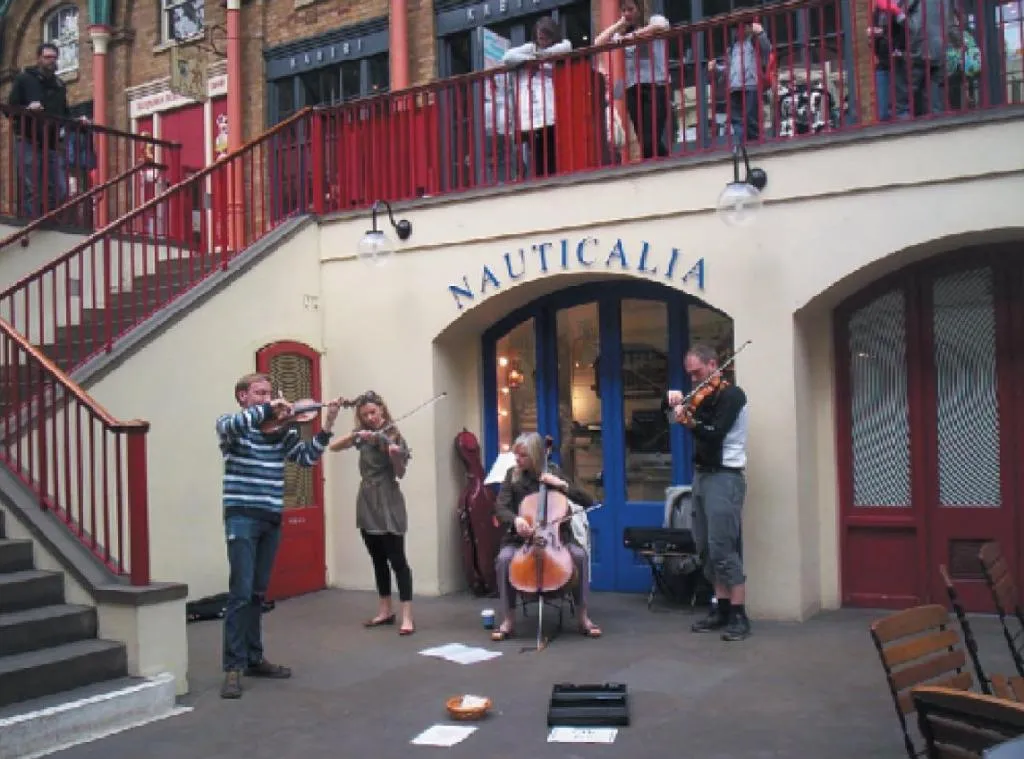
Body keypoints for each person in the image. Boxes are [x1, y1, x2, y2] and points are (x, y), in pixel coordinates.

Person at [215, 373, 340, 699]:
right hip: (241, 515)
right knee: (240, 593)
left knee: (258, 593)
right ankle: (233, 667)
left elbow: (306, 458)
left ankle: (254, 659)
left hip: (270, 518)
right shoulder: (233, 428)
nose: (267, 398)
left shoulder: (279, 433)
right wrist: (271, 407)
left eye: (270, 393)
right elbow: (229, 427)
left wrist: (326, 427)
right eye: (259, 393)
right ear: (243, 396)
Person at [667, 343, 750, 641]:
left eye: (697, 373)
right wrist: (674, 403)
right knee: (704, 546)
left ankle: (739, 615)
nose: (693, 381)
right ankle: (721, 607)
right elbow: (671, 418)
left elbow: (714, 434)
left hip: (725, 476)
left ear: (713, 364)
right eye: (689, 375)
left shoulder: (732, 396)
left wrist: (688, 421)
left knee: (723, 546)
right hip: (702, 475)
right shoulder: (703, 397)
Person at [490, 431, 601, 641]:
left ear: (534, 456)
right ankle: (508, 620)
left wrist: (561, 485)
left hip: (556, 539)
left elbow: (588, 500)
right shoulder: (512, 475)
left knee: (579, 556)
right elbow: (500, 507)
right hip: (521, 540)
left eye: (522, 456)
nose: (517, 460)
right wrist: (516, 520)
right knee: (504, 560)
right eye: (516, 455)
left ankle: (583, 617)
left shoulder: (554, 472)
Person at [329, 391, 416, 636]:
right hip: (367, 498)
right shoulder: (364, 437)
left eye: (373, 413)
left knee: (397, 560)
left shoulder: (394, 436)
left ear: (382, 411)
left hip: (388, 499)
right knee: (377, 558)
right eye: (365, 415)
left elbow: (400, 473)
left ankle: (407, 615)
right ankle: (385, 610)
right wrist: (357, 434)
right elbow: (333, 447)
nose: (370, 418)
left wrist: (394, 455)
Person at [594, 0, 672, 159]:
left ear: (640, 9)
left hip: (656, 86)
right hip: (633, 89)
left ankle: (663, 164)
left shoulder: (653, 20)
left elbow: (662, 26)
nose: (627, 13)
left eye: (630, 9)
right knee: (645, 140)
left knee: (651, 139)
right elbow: (598, 42)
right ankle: (663, 163)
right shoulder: (621, 33)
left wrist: (635, 35)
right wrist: (619, 25)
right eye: (623, 10)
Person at [502, 16, 572, 178]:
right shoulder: (530, 48)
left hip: (552, 110)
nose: (543, 41)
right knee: (538, 154)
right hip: (533, 113)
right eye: (540, 38)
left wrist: (542, 55)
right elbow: (507, 57)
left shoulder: (557, 47)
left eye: (546, 37)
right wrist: (532, 59)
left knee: (553, 152)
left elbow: (567, 46)